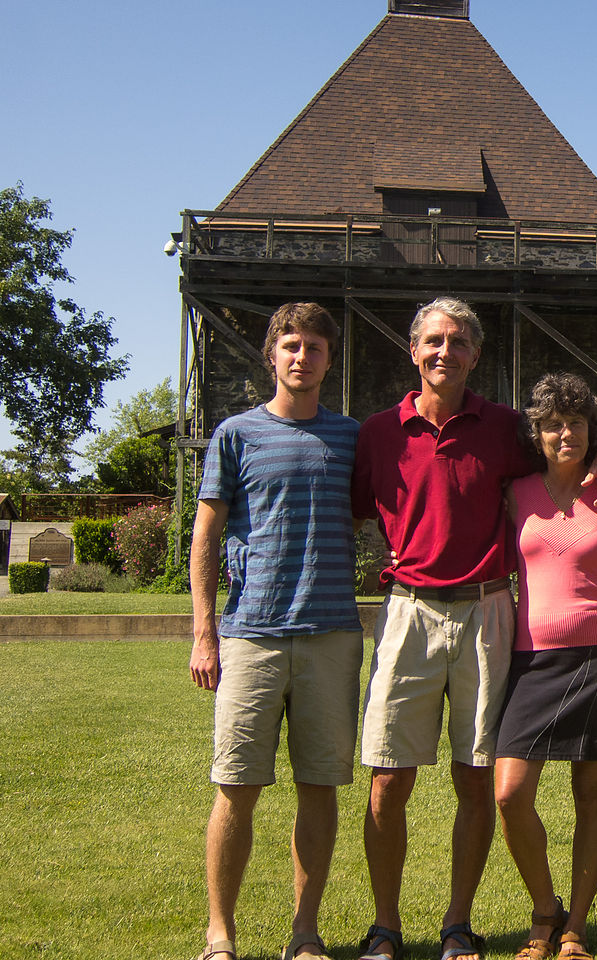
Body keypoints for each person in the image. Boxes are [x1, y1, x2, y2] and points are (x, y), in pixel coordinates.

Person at [351, 298, 597, 960]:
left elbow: (569, 445)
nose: (446, 352)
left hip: (487, 612)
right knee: (389, 778)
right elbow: (346, 508)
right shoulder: (378, 433)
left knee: (477, 779)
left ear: (476, 355)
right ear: (413, 351)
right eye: (434, 341)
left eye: (461, 342)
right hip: (408, 611)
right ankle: (385, 927)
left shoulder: (503, 428)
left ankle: (457, 925)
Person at [189, 301, 362, 960]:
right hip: (251, 633)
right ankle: (220, 933)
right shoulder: (235, 433)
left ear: (328, 358)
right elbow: (206, 531)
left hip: (331, 635)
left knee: (319, 788)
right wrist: (204, 631)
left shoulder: (350, 436)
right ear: (271, 355)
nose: (302, 356)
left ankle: (305, 931)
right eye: (290, 344)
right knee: (236, 788)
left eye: (315, 346)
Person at [494, 373, 597, 960]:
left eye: (575, 422)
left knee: (590, 792)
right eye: (552, 424)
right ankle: (545, 908)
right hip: (531, 661)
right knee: (510, 792)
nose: (564, 433)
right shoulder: (515, 490)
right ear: (537, 433)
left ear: (591, 428)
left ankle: (576, 926)